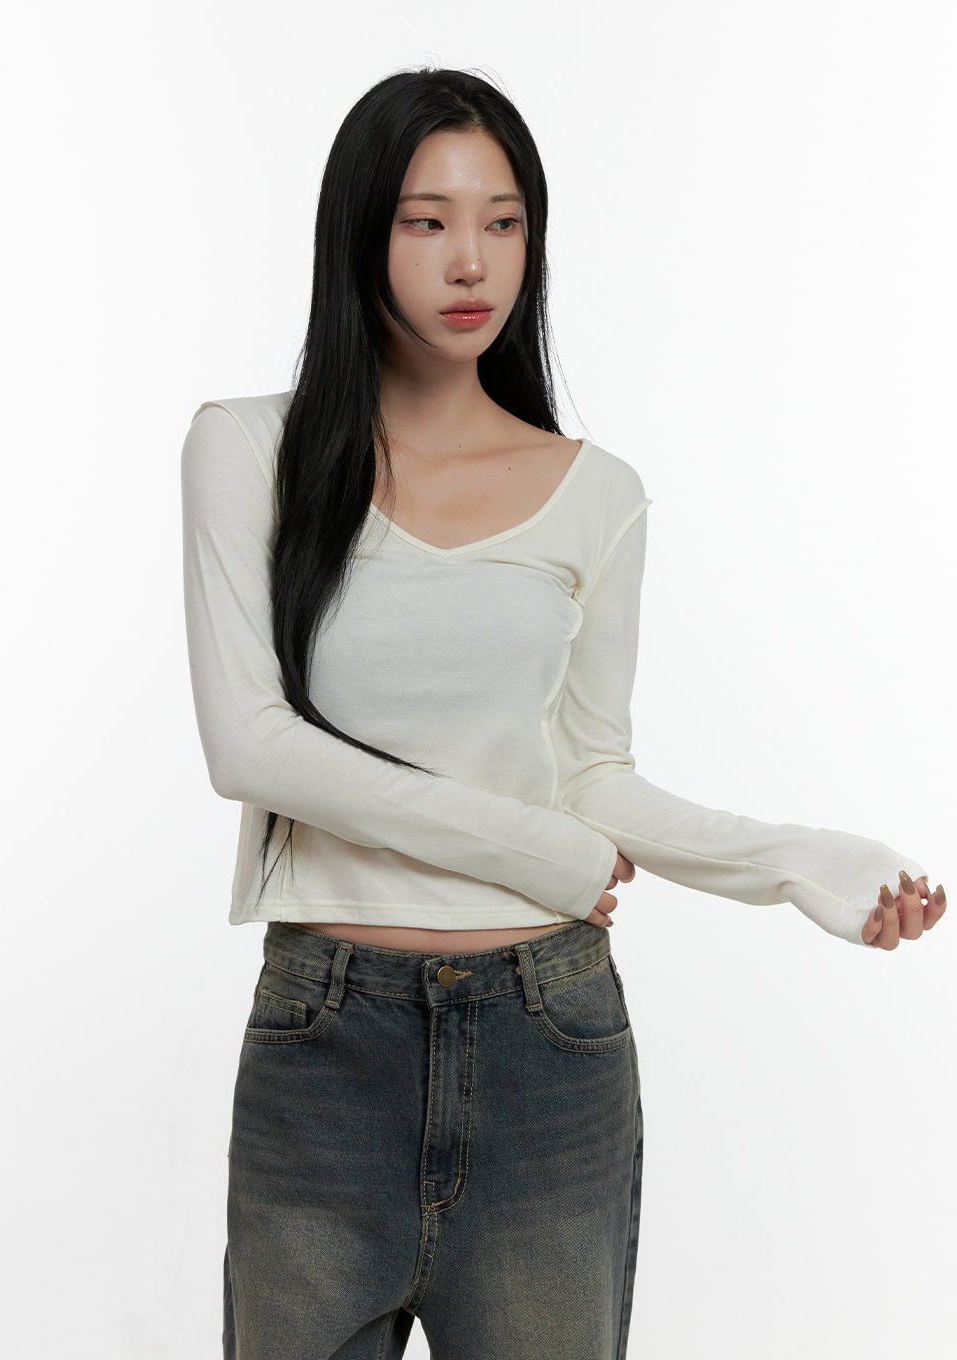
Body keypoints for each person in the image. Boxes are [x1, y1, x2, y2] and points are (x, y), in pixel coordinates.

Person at [180, 67, 946, 1360]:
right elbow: (249, 744)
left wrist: (801, 863)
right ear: (359, 232)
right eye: (426, 221)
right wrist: (536, 849)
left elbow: (590, 775)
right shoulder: (247, 448)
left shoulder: (597, 493)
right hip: (325, 1046)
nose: (470, 261)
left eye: (504, 221)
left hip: (549, 1044)